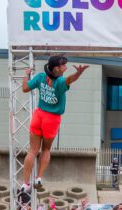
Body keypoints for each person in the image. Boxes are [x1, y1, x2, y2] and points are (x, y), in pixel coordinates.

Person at [20, 56, 89, 193]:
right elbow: (70, 79)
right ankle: (38, 177)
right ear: (57, 68)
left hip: (38, 115)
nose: (66, 67)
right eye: (64, 66)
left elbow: (25, 88)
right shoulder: (60, 82)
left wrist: (26, 74)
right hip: (52, 119)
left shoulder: (40, 77)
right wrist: (78, 73)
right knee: (46, 149)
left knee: (32, 151)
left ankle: (25, 183)